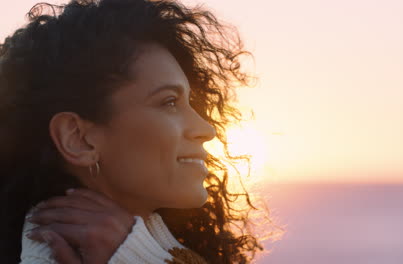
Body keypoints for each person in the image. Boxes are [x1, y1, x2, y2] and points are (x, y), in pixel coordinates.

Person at [0, 0, 269, 263]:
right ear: (78, 139)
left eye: (191, 102)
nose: (206, 129)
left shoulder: (148, 238)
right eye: (169, 102)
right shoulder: (47, 254)